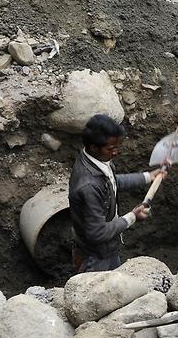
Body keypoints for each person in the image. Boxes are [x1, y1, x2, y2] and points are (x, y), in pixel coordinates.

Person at [68, 114, 165, 273]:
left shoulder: (96, 161)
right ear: (93, 147)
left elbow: (113, 182)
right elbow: (98, 233)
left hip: (108, 247)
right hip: (95, 257)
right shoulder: (88, 185)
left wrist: (149, 176)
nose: (116, 153)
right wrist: (132, 217)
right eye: (111, 149)